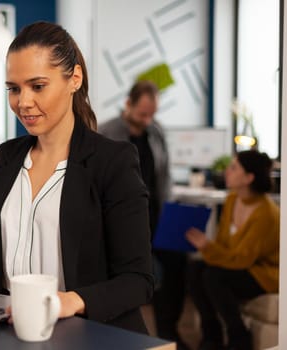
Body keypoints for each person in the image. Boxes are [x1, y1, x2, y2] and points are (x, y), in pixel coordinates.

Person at [0, 21, 153, 333]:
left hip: (91, 334)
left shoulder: (112, 161)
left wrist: (71, 300)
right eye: (14, 89)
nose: (23, 102)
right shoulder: (6, 159)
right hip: (16, 331)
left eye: (37, 86)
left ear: (74, 78)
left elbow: (138, 280)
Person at [98, 82, 188, 347]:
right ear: (128, 104)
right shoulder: (107, 132)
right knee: (146, 275)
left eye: (152, 114)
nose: (147, 120)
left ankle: (169, 332)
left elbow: (164, 174)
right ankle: (135, 338)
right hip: (125, 221)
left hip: (156, 216)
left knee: (177, 265)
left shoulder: (156, 131)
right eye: (142, 114)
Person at [186, 150, 279, 350]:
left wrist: (207, 248)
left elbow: (243, 259)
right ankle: (212, 337)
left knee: (214, 276)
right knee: (195, 269)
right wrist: (208, 249)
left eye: (234, 167)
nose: (227, 171)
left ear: (249, 177)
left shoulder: (266, 213)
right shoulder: (231, 200)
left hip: (263, 272)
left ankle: (239, 338)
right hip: (237, 264)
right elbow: (223, 246)